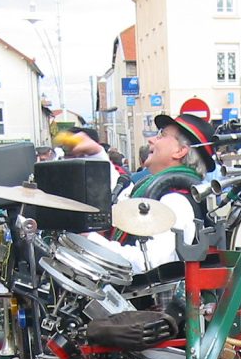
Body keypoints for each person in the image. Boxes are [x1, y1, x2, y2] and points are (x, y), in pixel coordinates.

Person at [66, 114, 216, 272]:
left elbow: (149, 263)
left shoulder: (176, 200)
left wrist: (91, 241)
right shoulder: (157, 187)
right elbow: (122, 195)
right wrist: (96, 153)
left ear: (180, 151)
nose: (152, 140)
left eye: (161, 135)